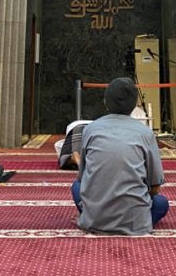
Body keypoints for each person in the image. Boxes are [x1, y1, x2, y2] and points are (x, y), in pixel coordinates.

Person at [72, 77, 169, 234]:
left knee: (76, 187)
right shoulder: (145, 133)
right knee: (161, 203)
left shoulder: (91, 129)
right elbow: (155, 187)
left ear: (105, 102)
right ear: (134, 105)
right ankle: (137, 222)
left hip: (94, 220)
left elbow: (83, 179)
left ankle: (90, 217)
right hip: (134, 222)